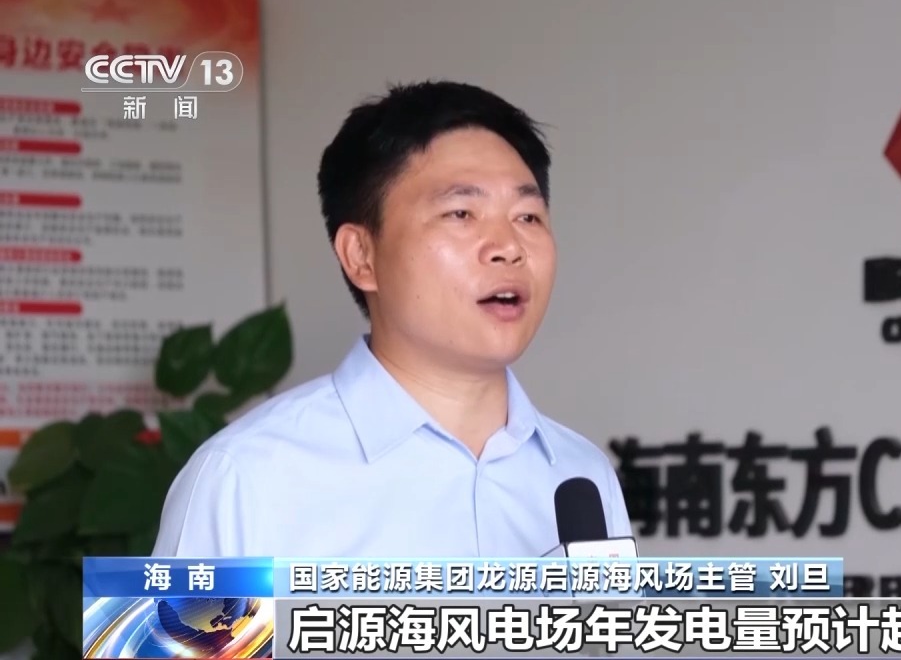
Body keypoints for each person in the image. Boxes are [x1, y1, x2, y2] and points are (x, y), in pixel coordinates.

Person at [152, 81, 632, 557]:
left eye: (528, 217)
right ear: (361, 256)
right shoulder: (243, 478)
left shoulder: (584, 475)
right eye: (461, 213)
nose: (509, 247)